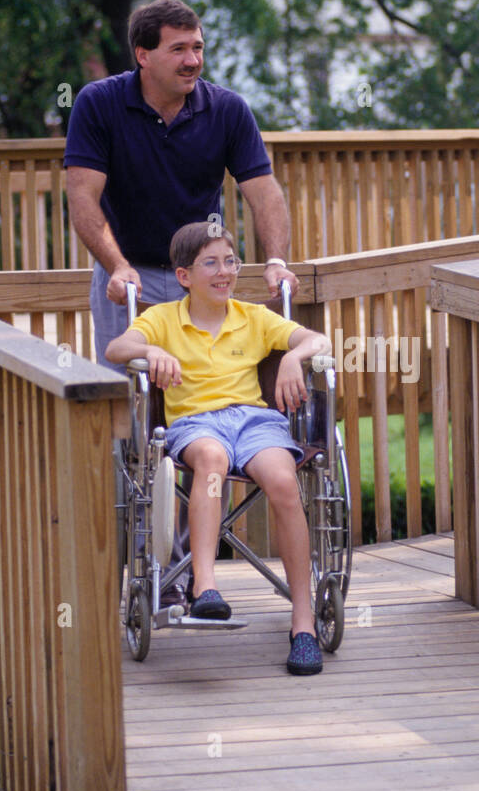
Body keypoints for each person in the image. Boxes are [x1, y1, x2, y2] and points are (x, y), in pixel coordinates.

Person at [65, 0, 299, 606]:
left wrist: (274, 258)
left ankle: (193, 573)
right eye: (179, 49)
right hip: (132, 279)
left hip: (199, 277)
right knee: (137, 428)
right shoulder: (99, 105)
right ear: (143, 54)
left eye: (198, 46)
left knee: (193, 418)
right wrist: (115, 267)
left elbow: (264, 193)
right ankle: (151, 573)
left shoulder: (225, 110)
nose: (194, 59)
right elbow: (83, 199)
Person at [105, 221, 333, 676]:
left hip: (254, 422)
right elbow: (117, 346)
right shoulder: (164, 318)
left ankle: (303, 623)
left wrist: (291, 357)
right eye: (211, 263)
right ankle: (204, 588)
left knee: (284, 480)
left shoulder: (253, 317)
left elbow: (318, 340)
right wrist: (150, 353)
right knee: (210, 460)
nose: (224, 271)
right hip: (195, 424)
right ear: (185, 275)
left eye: (230, 261)